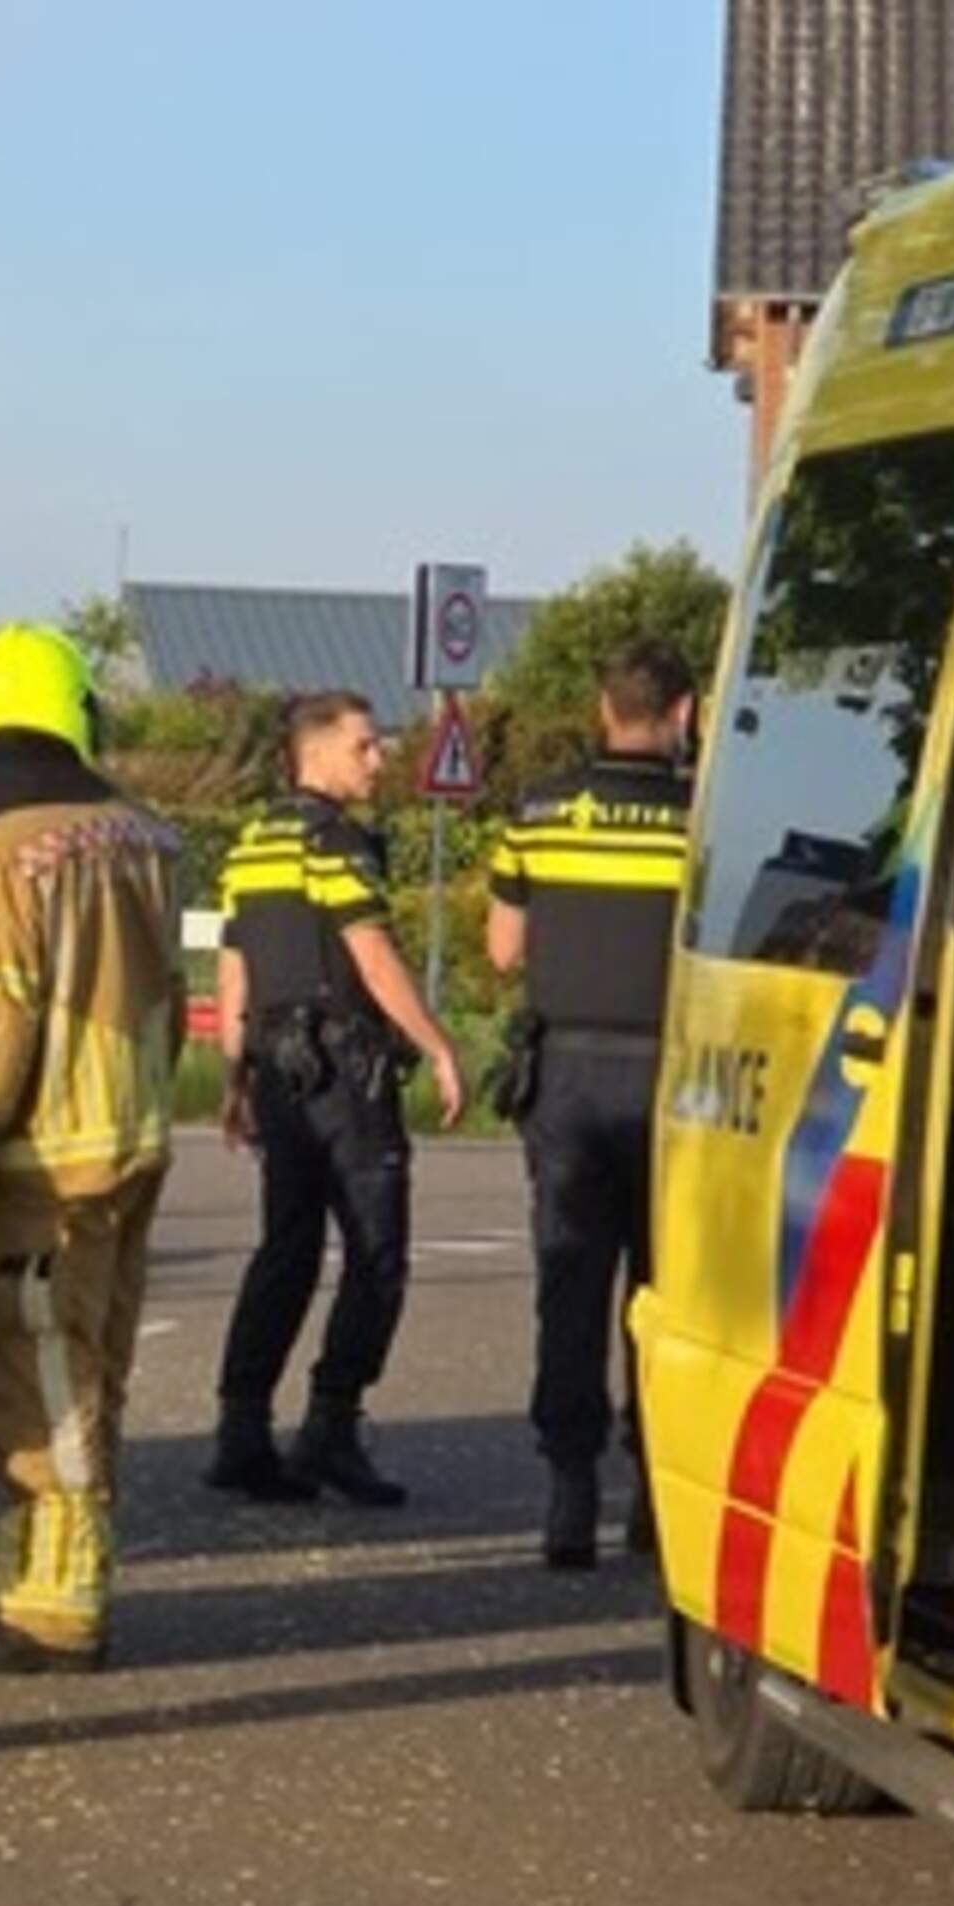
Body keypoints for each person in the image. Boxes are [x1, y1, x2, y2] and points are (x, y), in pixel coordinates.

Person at [0, 625, 184, 1672]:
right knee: (99, 1372)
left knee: (38, 1379)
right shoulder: (151, 838)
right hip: (139, 1141)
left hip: (46, 1165)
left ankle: (53, 1609)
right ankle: (65, 1578)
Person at [209, 690, 465, 1507]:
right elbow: (373, 953)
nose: (379, 760)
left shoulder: (252, 841)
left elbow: (235, 966)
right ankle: (331, 1425)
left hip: (280, 1066)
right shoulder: (336, 842)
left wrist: (234, 1073)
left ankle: (241, 1430)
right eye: (365, 746)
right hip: (347, 1068)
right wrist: (438, 1046)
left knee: (285, 1248)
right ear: (313, 753)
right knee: (376, 1252)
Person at [487, 641, 696, 1569]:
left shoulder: (536, 814)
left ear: (600, 708)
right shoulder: (703, 822)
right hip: (677, 1082)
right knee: (667, 1292)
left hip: (565, 1079)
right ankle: (657, 1490)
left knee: (570, 1283)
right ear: (685, 714)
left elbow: (500, 950)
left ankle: (568, 1491)